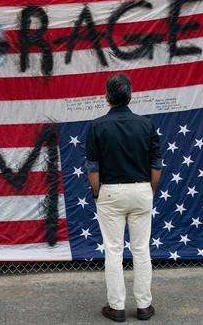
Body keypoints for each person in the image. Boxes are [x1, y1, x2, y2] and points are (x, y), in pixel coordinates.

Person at [85, 73, 162, 322]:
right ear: (130, 95)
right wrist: (149, 191)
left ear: (107, 98)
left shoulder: (97, 126)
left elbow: (93, 169)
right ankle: (144, 306)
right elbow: (157, 166)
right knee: (141, 250)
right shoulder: (146, 125)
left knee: (114, 251)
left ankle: (116, 307)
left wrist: (97, 194)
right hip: (141, 190)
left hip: (110, 192)